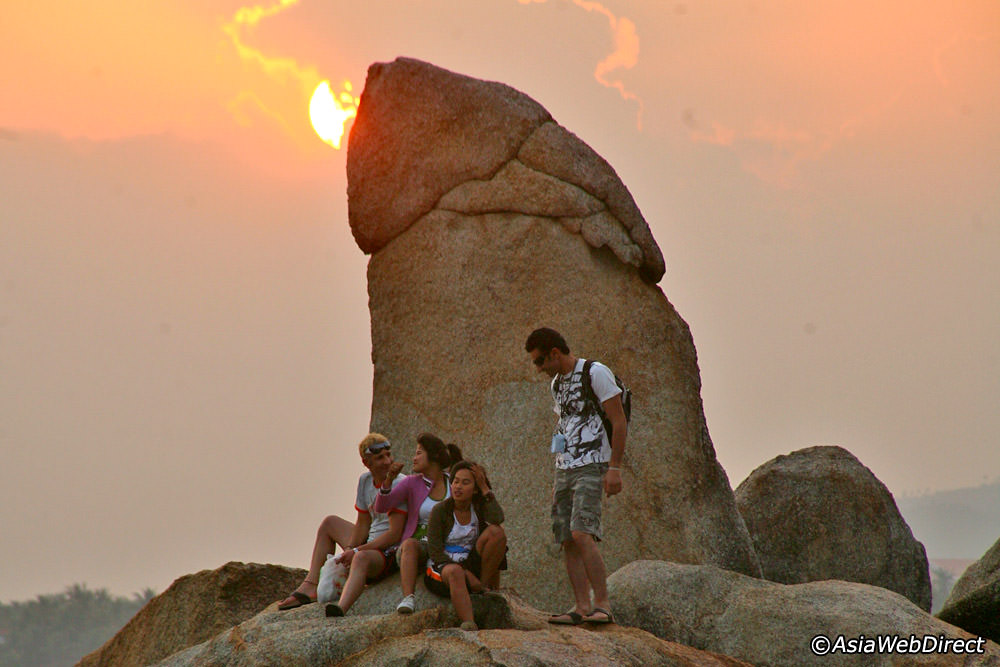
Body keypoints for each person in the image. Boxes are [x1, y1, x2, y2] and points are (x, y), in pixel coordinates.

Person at [524, 327, 627, 626]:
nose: (539, 368)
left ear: (555, 352)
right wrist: (557, 463)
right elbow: (562, 424)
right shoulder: (556, 384)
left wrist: (615, 468)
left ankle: (603, 604)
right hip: (566, 467)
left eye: (541, 361)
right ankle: (581, 607)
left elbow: (618, 421)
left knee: (583, 532)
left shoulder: (595, 373)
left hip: (593, 463)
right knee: (567, 537)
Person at [276, 433, 406, 614]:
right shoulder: (365, 481)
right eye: (379, 458)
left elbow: (395, 534)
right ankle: (311, 584)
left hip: (388, 550)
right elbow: (363, 522)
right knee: (330, 523)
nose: (387, 461)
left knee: (359, 558)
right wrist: (350, 548)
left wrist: (357, 551)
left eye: (388, 455)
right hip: (369, 542)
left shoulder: (399, 483)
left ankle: (342, 606)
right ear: (367, 463)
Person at [374, 432, 462, 614]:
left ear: (433, 456)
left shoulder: (452, 483)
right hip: (416, 548)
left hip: (444, 546)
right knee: (410, 544)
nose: (414, 458)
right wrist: (389, 479)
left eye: (419, 453)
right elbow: (382, 506)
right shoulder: (411, 483)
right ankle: (408, 598)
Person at [424, 461, 507, 631]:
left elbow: (498, 518)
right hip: (443, 568)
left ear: (475, 489)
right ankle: (469, 623)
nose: (458, 487)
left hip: (469, 561)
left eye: (465, 482)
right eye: (455, 481)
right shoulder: (440, 510)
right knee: (455, 572)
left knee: (496, 532)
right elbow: (435, 552)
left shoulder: (477, 507)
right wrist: (466, 574)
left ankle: (481, 590)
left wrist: (485, 489)